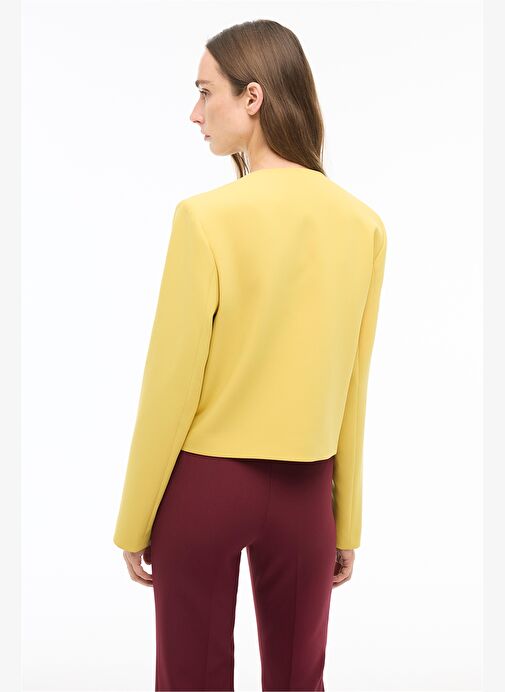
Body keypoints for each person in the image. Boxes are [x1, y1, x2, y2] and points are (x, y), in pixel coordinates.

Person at [113, 18, 387, 692]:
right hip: (306, 495)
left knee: (191, 679)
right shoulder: (362, 225)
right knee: (298, 679)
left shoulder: (204, 219)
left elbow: (170, 386)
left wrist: (134, 519)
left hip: (204, 487)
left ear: (253, 98)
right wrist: (345, 519)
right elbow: (352, 389)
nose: (195, 112)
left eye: (206, 92)